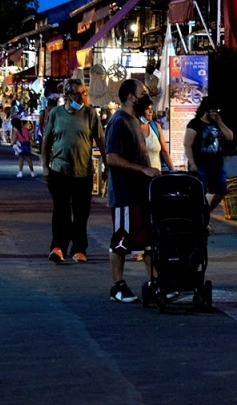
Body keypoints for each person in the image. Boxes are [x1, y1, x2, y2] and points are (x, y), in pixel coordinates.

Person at [105, 79, 161, 303]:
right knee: (121, 240)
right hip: (124, 195)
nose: (145, 96)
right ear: (131, 96)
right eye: (142, 93)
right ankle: (117, 287)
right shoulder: (118, 121)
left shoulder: (134, 120)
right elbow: (111, 158)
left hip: (140, 194)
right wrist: (142, 169)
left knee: (147, 240)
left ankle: (155, 283)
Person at [40, 78, 106, 265]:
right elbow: (47, 142)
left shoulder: (90, 114)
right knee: (61, 211)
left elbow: (101, 141)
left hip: (83, 172)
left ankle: (79, 248)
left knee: (81, 213)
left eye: (83, 93)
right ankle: (58, 247)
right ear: (67, 95)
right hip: (59, 170)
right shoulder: (56, 114)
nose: (81, 97)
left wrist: (107, 165)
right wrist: (45, 166)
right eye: (77, 93)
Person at [183, 97, 233, 214]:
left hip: (217, 163)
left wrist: (220, 122)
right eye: (212, 110)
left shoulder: (217, 123)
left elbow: (230, 137)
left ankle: (206, 212)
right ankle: (197, 216)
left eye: (216, 111)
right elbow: (187, 144)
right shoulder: (195, 124)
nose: (214, 113)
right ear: (205, 110)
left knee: (222, 190)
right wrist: (192, 163)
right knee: (200, 191)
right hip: (201, 164)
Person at [137, 97, 172, 171]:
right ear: (140, 110)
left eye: (151, 108)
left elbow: (165, 152)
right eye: (147, 109)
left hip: (156, 174)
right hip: (140, 174)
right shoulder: (132, 128)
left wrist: (173, 171)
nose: (151, 112)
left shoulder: (155, 127)